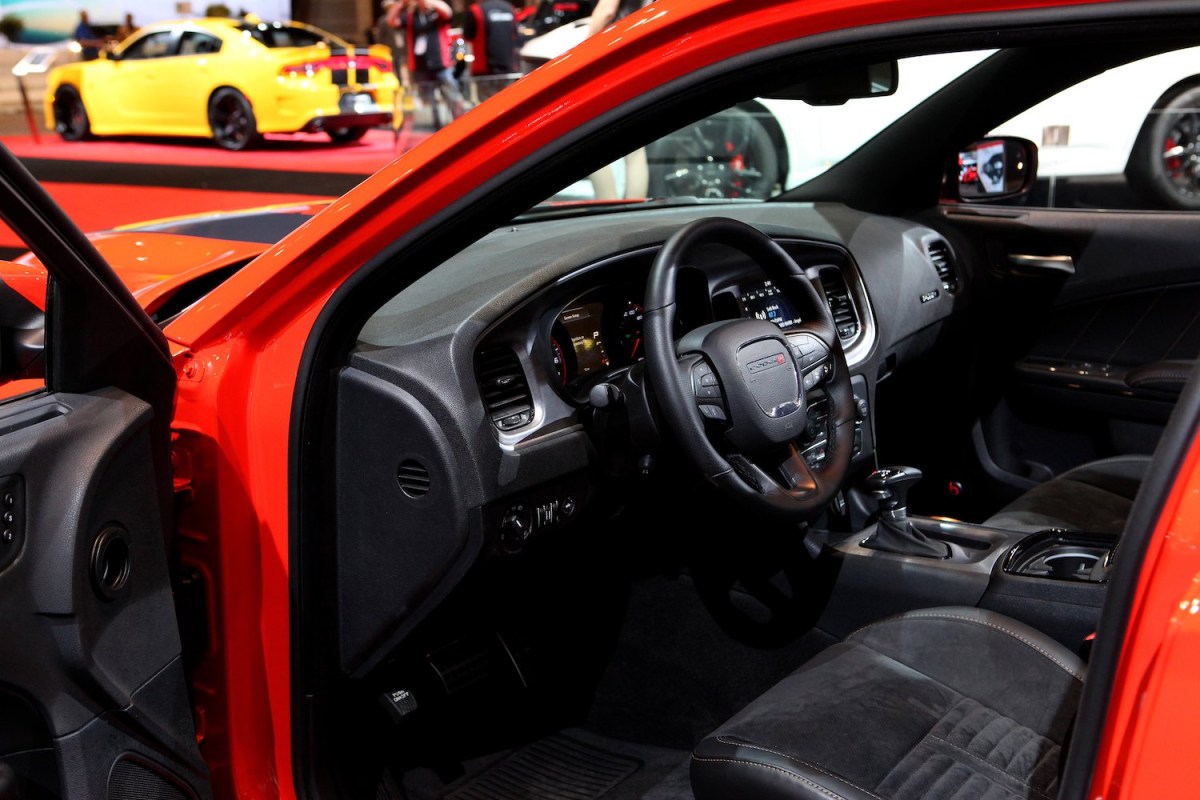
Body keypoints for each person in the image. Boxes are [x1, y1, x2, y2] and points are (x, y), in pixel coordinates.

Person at [585, 0, 651, 198]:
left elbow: (606, 10)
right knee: (636, 145)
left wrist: (583, 49)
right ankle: (633, 209)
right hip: (639, 49)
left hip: (614, 52)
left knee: (591, 136)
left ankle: (607, 204)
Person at [388, 0, 470, 130]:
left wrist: (428, 2)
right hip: (421, 66)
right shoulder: (411, 16)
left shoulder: (437, 13)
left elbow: (448, 12)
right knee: (429, 101)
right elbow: (392, 21)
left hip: (441, 63)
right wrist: (401, 4)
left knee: (452, 95)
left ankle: (460, 125)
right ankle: (436, 128)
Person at [462, 0, 519, 102]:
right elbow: (515, 34)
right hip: (508, 68)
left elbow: (468, 37)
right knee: (509, 104)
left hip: (485, 72)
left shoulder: (476, 10)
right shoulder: (510, 8)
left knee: (488, 108)